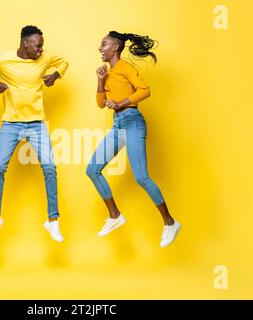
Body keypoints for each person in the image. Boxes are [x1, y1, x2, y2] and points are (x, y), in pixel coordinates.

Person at [0, 25, 68, 243]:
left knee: (50, 167)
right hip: (11, 123)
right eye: (38, 46)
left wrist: (55, 75)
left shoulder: (44, 57)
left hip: (37, 123)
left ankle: (53, 221)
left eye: (42, 46)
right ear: (26, 44)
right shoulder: (3, 60)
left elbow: (64, 63)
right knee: (0, 166)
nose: (41, 51)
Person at [86, 31, 181, 247]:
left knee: (141, 177)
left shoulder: (126, 67)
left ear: (115, 48)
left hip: (132, 121)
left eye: (104, 44)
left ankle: (170, 222)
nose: (99, 48)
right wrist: (100, 81)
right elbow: (101, 103)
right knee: (92, 169)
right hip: (118, 124)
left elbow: (145, 90)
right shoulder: (108, 72)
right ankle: (115, 216)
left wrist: (122, 103)